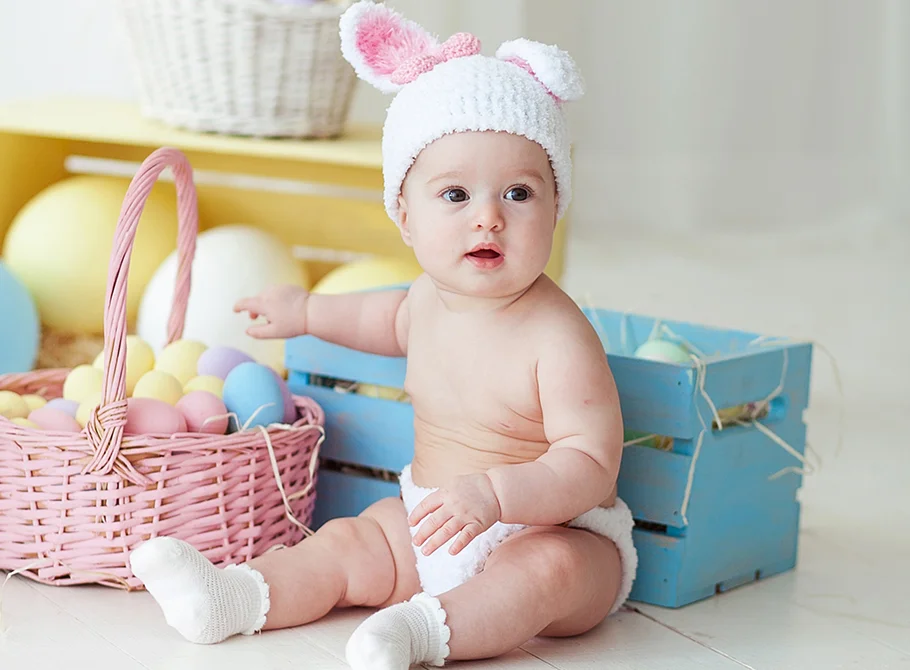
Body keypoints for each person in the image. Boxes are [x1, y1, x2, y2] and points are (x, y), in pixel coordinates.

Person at [128, 3, 637, 668]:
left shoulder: (558, 335)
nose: (488, 218)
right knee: (352, 542)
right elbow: (376, 320)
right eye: (455, 195)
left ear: (555, 208)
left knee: (544, 573)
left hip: (553, 529)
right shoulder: (424, 302)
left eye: (519, 193)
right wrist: (306, 311)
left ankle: (421, 633)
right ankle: (233, 597)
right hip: (431, 523)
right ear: (405, 217)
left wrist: (497, 495)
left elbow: (591, 463)